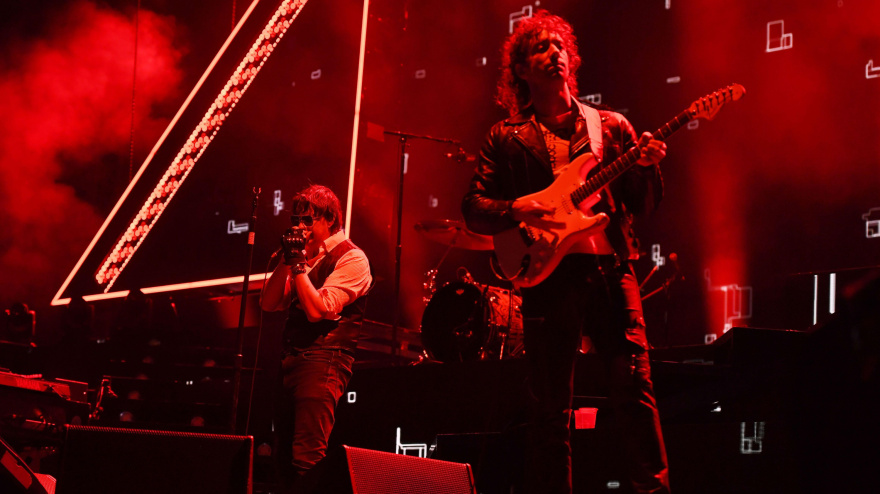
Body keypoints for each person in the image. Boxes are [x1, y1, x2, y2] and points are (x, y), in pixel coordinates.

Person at [462, 11, 670, 494]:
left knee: (635, 390)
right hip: (548, 275)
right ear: (521, 69)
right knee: (550, 406)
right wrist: (516, 207)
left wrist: (647, 167)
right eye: (541, 48)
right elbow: (473, 207)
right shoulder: (505, 136)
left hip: (610, 269)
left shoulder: (610, 126)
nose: (554, 53)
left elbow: (643, 205)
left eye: (559, 46)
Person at [260, 184, 372, 491]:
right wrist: (287, 261)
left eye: (308, 220)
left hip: (324, 360)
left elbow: (316, 310)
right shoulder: (304, 259)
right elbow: (268, 303)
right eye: (296, 220)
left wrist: (298, 264)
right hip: (290, 361)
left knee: (306, 456)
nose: (300, 227)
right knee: (282, 457)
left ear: (330, 219)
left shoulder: (352, 258)